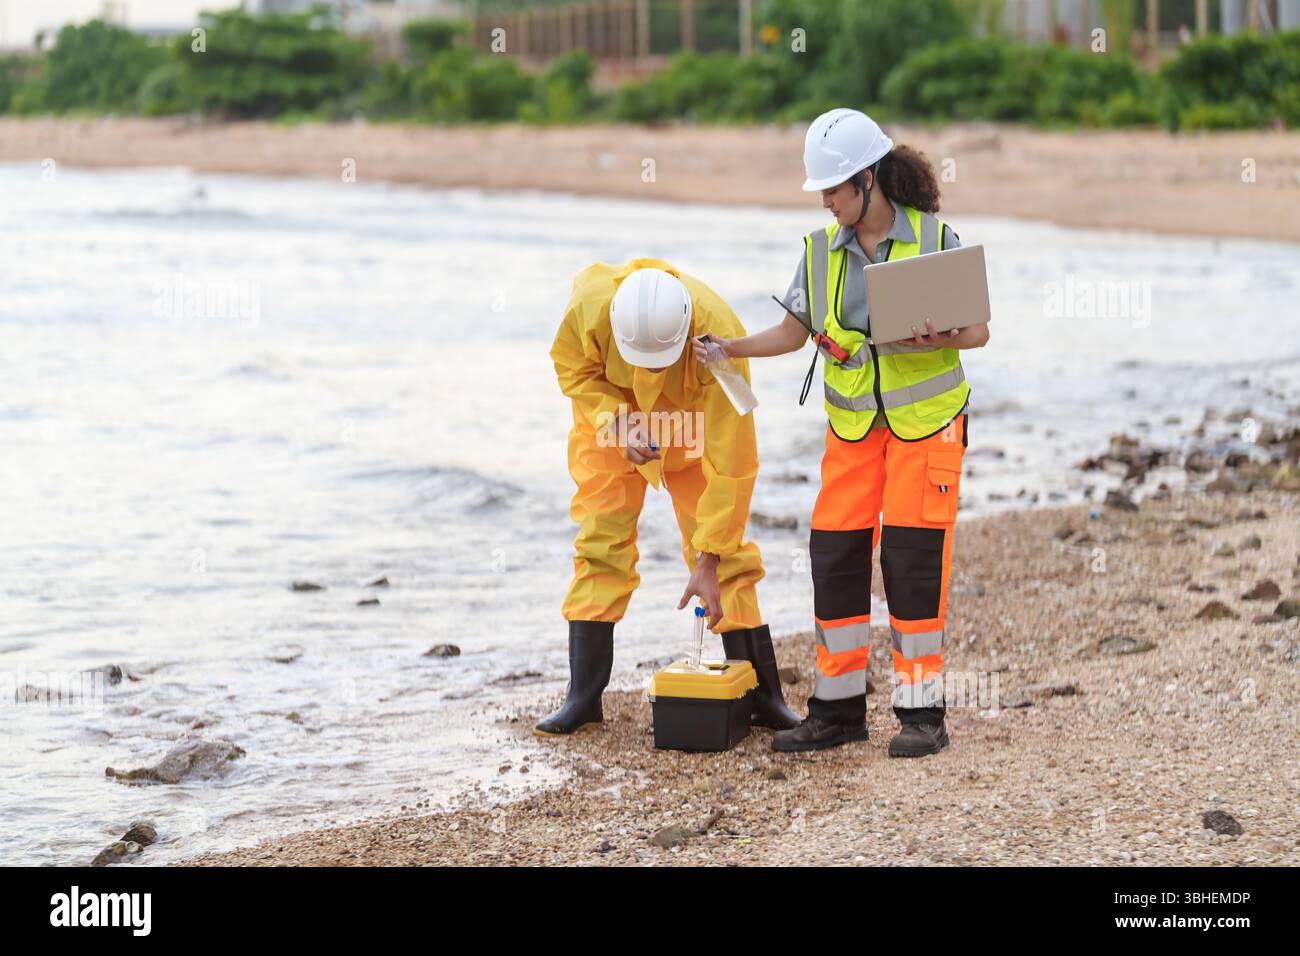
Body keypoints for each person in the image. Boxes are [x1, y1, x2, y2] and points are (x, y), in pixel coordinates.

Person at [693, 109, 989, 756]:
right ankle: (837, 710)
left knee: (910, 567)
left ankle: (921, 715)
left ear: (870, 179)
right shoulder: (817, 252)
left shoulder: (935, 238)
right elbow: (794, 330)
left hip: (927, 427)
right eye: (822, 191)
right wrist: (729, 347)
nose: (826, 202)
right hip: (854, 431)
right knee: (834, 559)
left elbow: (978, 332)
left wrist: (941, 334)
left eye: (834, 189)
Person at [536, 260, 800, 736]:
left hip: (691, 431)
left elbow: (732, 463)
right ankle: (584, 697)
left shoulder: (722, 340)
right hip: (614, 426)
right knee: (600, 541)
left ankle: (764, 698)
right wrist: (617, 424)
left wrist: (709, 555)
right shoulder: (587, 309)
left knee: (729, 559)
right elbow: (573, 373)